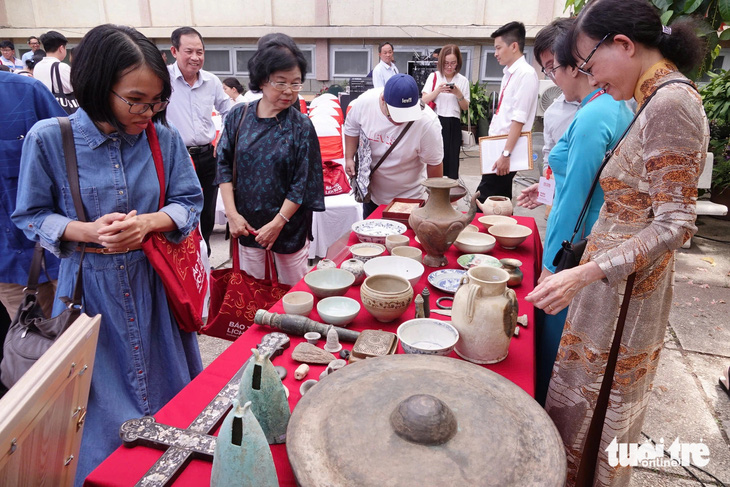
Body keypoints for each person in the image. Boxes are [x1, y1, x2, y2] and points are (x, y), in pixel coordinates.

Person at [525, 1, 709, 485]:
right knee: (582, 413)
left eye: (590, 63)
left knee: (597, 417)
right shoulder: (650, 98)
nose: (591, 77)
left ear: (623, 45)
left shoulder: (671, 103)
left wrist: (584, 271)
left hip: (623, 294)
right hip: (608, 282)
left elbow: (675, 225)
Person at [12, 24, 204, 485]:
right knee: (92, 422)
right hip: (86, 295)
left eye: (156, 101)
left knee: (172, 410)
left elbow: (189, 202)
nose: (147, 111)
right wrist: (86, 231)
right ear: (99, 87)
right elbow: (30, 215)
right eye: (135, 99)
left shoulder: (163, 138)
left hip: (154, 286)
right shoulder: (49, 139)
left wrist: (148, 223)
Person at [517, 18, 633, 407]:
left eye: (552, 68)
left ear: (572, 62)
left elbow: (577, 199)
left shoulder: (592, 116)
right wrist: (547, 185)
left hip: (573, 249)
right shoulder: (609, 106)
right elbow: (578, 180)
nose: (553, 78)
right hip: (590, 243)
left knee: (554, 350)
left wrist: (552, 266)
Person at [215, 33, 325, 286]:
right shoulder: (238, 116)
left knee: (292, 294)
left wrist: (278, 223)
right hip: (246, 225)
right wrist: (232, 214)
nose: (289, 91)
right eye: (280, 82)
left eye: (296, 84)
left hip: (288, 228)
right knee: (253, 293)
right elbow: (223, 165)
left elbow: (303, 182)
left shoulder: (301, 126)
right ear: (262, 81)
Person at [0, 71, 65, 384]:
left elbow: (75, 154)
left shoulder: (26, 93)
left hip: (62, 252)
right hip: (8, 267)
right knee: (31, 353)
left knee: (82, 341)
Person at [166, 26, 233, 254]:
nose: (195, 58)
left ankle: (205, 259)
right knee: (177, 211)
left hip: (206, 156)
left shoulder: (211, 81)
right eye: (189, 51)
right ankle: (180, 259)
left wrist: (224, 136)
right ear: (174, 51)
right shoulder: (163, 79)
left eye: (200, 52)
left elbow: (229, 110)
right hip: (175, 158)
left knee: (206, 211)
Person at [344, 74, 444, 218]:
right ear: (383, 99)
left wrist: (434, 202)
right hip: (373, 195)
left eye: (407, 115)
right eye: (395, 115)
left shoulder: (427, 123)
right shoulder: (365, 103)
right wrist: (349, 157)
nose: (400, 121)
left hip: (410, 199)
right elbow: (351, 127)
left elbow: (434, 163)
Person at [476, 21, 539, 201]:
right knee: (499, 199)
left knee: (484, 200)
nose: (495, 53)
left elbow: (519, 119)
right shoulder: (509, 73)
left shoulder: (525, 74)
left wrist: (506, 154)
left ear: (513, 46)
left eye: (498, 48)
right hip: (497, 146)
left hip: (505, 149)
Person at [421, 44, 470, 179]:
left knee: (452, 161)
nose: (449, 67)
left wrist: (458, 94)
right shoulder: (434, 77)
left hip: (453, 123)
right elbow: (423, 100)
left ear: (458, 63)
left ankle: (449, 194)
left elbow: (465, 107)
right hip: (435, 122)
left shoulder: (463, 80)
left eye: (453, 63)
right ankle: (433, 190)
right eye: (446, 63)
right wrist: (438, 90)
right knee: (435, 158)